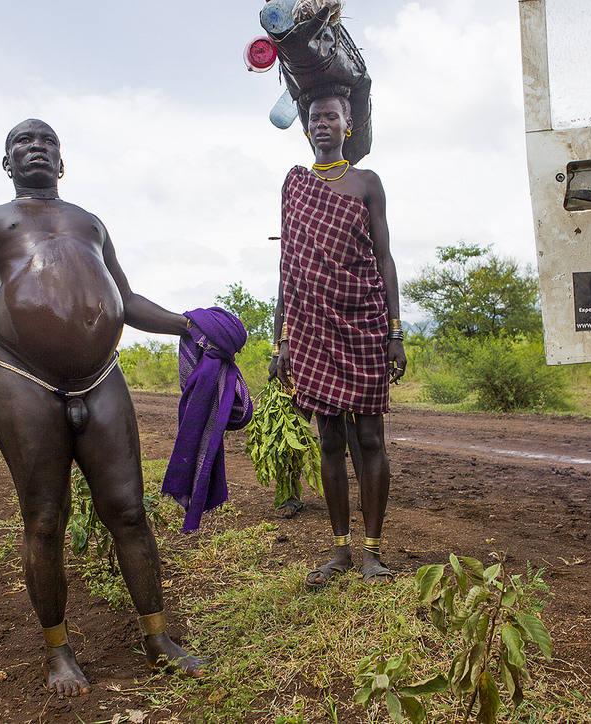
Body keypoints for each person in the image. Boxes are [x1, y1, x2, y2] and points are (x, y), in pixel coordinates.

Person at [0, 119, 204, 697]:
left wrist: (190, 324)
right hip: (22, 375)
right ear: (7, 162)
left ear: (61, 163)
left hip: (101, 375)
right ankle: (58, 650)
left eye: (46, 143)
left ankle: (157, 637)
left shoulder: (89, 223)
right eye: (22, 143)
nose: (35, 148)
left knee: (130, 511)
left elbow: (128, 299)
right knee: (44, 519)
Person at [269, 89, 406, 588]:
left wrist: (395, 330)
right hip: (311, 328)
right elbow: (288, 265)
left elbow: (385, 258)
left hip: (364, 321)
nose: (322, 124)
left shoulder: (368, 184)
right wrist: (282, 338)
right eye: (314, 118)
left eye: (331, 117)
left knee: (370, 438)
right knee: (328, 440)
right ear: (306, 129)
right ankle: (341, 551)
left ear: (348, 125)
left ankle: (373, 552)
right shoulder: (295, 186)